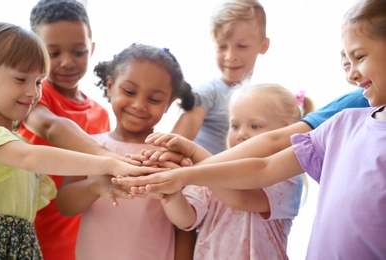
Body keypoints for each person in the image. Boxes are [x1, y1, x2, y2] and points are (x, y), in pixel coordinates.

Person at [113, 0, 386, 258]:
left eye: (359, 57)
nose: (350, 74)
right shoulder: (343, 122)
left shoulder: (286, 184)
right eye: (233, 125)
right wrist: (175, 185)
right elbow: (189, 217)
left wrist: (190, 168)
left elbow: (249, 186)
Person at [0, 22, 161, 260]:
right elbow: (32, 158)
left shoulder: (21, 142)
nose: (33, 92)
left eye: (38, 81)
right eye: (21, 79)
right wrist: (109, 163)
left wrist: (102, 180)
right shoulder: (19, 150)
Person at [132, 83, 314, 258]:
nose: (241, 133)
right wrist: (171, 193)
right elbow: (186, 219)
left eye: (255, 126)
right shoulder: (211, 169)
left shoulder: (287, 179)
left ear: (284, 133)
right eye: (235, 125)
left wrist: (194, 153)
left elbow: (240, 199)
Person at [56, 43, 196, 260]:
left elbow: (185, 228)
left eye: (154, 99)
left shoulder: (170, 156)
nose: (139, 105)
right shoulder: (89, 147)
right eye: (129, 91)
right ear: (110, 86)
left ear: (168, 103)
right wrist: (96, 185)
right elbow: (65, 205)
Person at [16, 1, 113, 259]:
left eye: (79, 51)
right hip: (28, 242)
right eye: (53, 53)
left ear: (91, 48)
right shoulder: (31, 95)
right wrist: (107, 156)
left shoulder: (101, 114)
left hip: (78, 245)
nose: (67, 62)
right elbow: (49, 125)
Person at [171, 0, 270, 155]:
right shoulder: (208, 92)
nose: (230, 56)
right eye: (222, 47)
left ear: (263, 46)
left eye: (242, 46)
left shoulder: (260, 98)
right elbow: (173, 144)